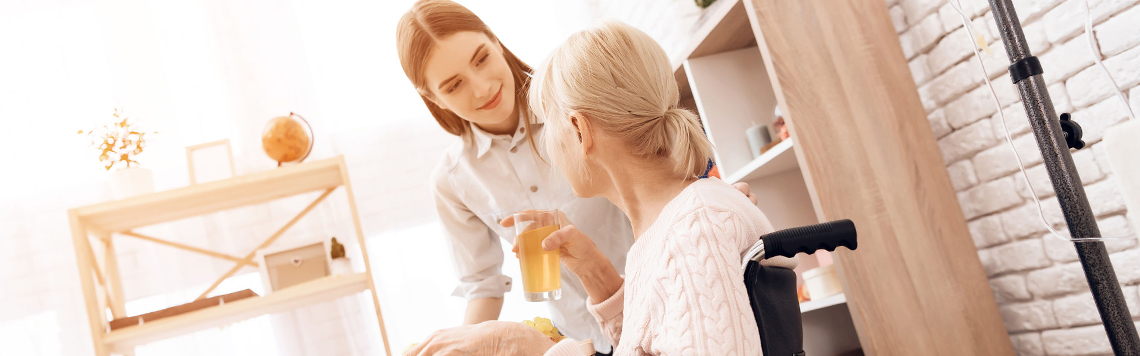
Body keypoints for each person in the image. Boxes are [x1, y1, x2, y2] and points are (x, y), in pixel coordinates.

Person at [404, 20, 794, 356]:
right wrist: (596, 272)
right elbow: (652, 338)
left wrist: (532, 347)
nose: (481, 86)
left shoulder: (692, 232)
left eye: (481, 59)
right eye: (454, 84)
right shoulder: (661, 242)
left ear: (578, 129)